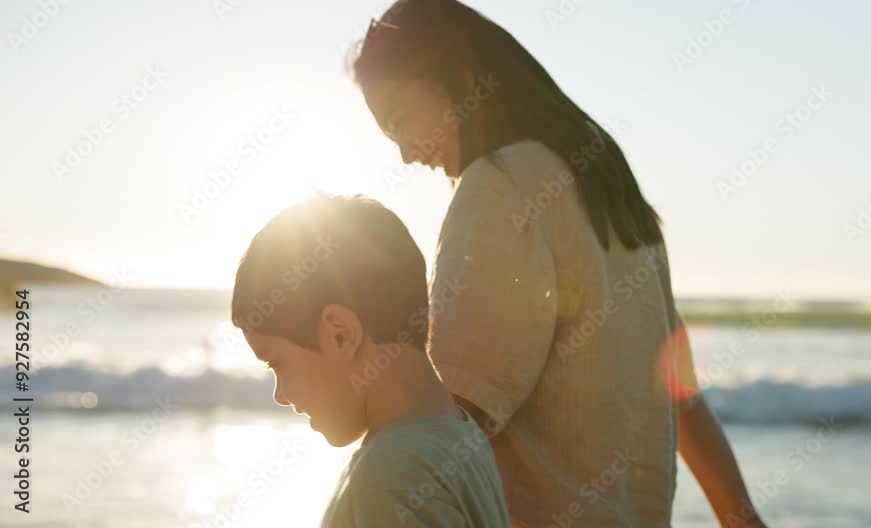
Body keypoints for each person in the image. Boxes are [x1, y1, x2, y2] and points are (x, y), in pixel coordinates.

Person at [350, 1, 768, 526]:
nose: (408, 154)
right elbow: (682, 399)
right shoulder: (609, 188)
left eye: (399, 121)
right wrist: (744, 520)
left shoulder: (499, 187)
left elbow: (450, 422)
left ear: (462, 80)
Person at [230, 193, 511, 527]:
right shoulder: (462, 436)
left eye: (277, 363)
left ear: (341, 334)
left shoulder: (390, 478)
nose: (280, 395)